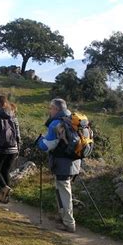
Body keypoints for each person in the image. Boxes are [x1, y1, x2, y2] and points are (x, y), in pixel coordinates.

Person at [37, 98, 80, 233]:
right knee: (62, 189)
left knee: (64, 191)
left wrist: (39, 141)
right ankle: (63, 217)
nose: (49, 111)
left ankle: (69, 223)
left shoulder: (56, 123)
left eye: (51, 108)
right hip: (75, 162)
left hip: (62, 163)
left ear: (56, 109)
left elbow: (46, 146)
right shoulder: (72, 120)